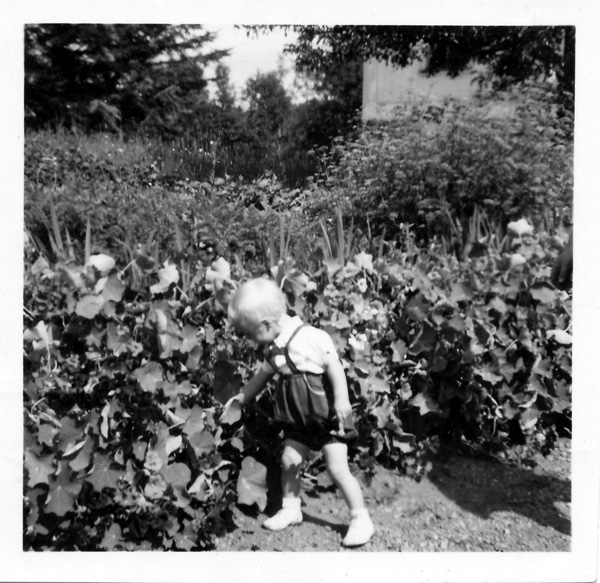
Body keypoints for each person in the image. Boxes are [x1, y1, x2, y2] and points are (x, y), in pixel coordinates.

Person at [225, 277, 375, 547]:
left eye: (248, 334)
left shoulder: (310, 337)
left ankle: (360, 518)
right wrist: (240, 400)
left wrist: (342, 399)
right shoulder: (274, 348)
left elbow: (334, 365)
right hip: (297, 418)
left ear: (266, 325)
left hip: (328, 415)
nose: (248, 340)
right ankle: (291, 508)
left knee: (337, 467)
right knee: (290, 460)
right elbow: (260, 378)